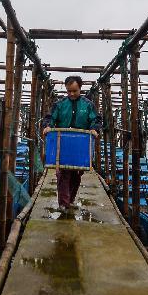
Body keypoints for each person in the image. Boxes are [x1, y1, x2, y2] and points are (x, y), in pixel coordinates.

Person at [42, 76, 102, 211]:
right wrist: (47, 126)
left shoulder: (88, 105)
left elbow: (96, 120)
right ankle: (63, 204)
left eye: (74, 91)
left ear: (80, 88)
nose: (72, 94)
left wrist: (94, 129)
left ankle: (70, 199)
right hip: (63, 144)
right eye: (69, 91)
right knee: (63, 173)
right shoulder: (60, 104)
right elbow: (50, 117)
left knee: (76, 174)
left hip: (81, 146)